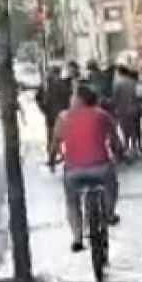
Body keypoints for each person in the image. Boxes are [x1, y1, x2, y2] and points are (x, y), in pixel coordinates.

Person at [51, 83, 127, 252]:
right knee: (111, 184)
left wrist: (53, 159)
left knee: (72, 201)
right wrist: (119, 155)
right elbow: (115, 140)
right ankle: (109, 213)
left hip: (73, 170)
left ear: (78, 99)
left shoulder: (63, 117)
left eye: (73, 96)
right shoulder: (102, 115)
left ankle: (77, 237)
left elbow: (55, 142)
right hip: (100, 167)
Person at [37, 62, 76, 170]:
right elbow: (68, 97)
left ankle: (52, 160)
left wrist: (44, 109)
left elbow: (38, 98)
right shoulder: (62, 84)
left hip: (51, 115)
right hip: (61, 116)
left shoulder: (45, 84)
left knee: (52, 138)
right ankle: (64, 159)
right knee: (64, 138)